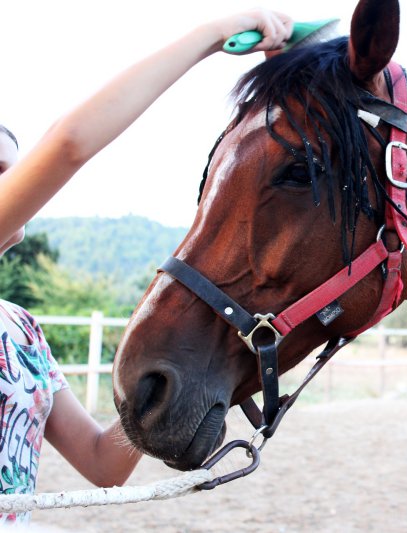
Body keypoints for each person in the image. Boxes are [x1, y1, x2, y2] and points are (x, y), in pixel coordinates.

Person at [0, 8, 292, 526]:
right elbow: (69, 144)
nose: (13, 183)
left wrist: (169, 385)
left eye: (10, 171)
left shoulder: (22, 331)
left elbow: (102, 463)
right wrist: (211, 35)